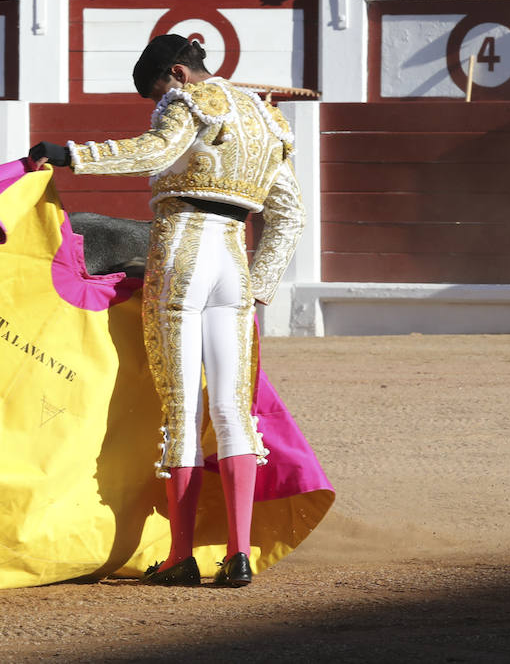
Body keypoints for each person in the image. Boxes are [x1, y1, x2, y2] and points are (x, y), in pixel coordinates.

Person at [27, 33, 304, 589]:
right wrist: (259, 287)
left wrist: (73, 155)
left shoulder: (185, 101)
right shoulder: (270, 121)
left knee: (181, 409)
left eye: (157, 94)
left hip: (182, 247)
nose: (158, 107)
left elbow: (155, 152)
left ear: (178, 74)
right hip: (234, 258)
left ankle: (180, 555)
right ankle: (239, 554)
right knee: (231, 411)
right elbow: (289, 215)